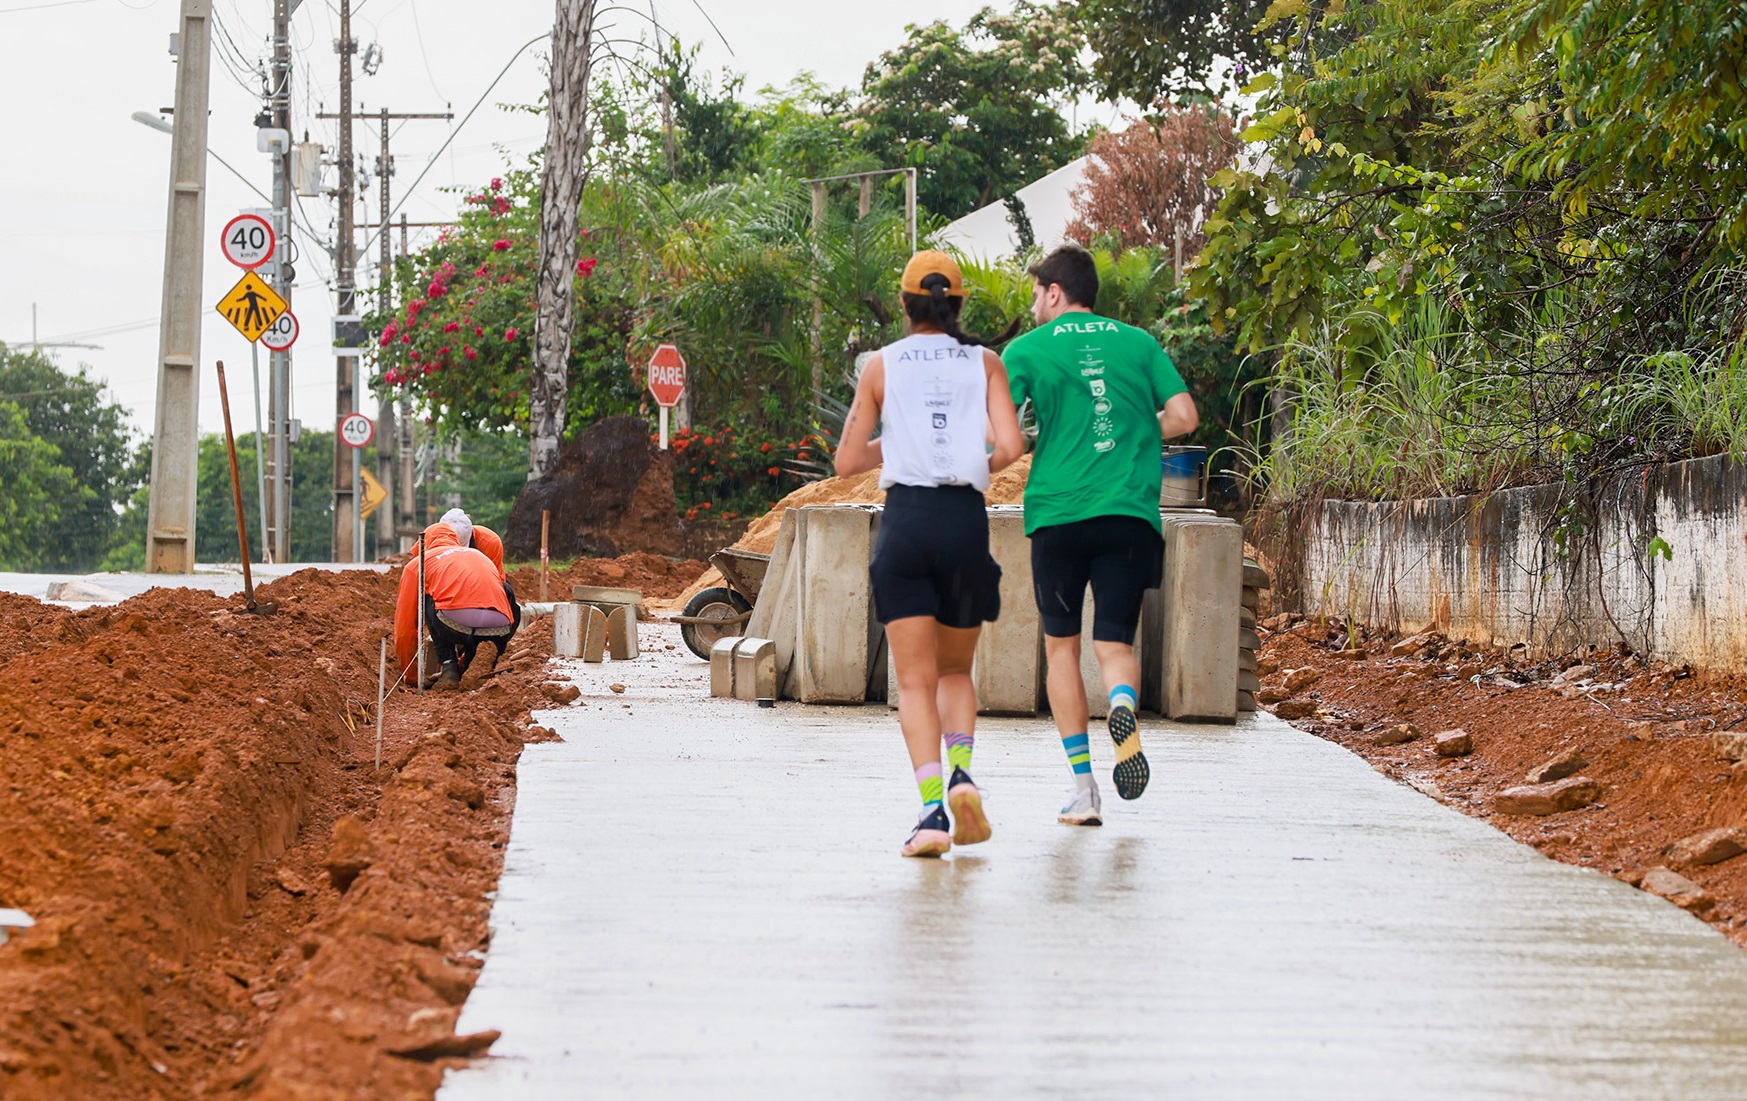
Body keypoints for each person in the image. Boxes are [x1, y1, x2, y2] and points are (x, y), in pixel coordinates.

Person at [836, 250, 1025, 858]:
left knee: (915, 682)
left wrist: (897, 443)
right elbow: (1011, 445)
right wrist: (970, 456)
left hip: (907, 526)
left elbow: (846, 461)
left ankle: (931, 812)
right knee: (955, 672)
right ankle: (964, 774)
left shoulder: (881, 365)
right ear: (958, 302)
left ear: (904, 303)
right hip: (964, 524)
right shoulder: (986, 362)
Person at [1002, 245, 1199, 825]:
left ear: (1054, 292)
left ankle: (1084, 790)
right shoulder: (1139, 343)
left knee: (1061, 649)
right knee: (1115, 646)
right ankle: (1121, 704)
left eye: (1035, 295)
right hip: (1128, 515)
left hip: (1059, 516)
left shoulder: (1026, 350)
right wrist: (1136, 429)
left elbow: (1002, 435)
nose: (1033, 306)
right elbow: (1184, 416)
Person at [393, 508, 522, 687]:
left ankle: (449, 667)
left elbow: (405, 629)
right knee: (503, 590)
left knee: (430, 597)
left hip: (454, 625)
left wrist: (412, 677)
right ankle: (479, 661)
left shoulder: (418, 564)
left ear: (424, 543)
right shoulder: (479, 555)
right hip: (500, 628)